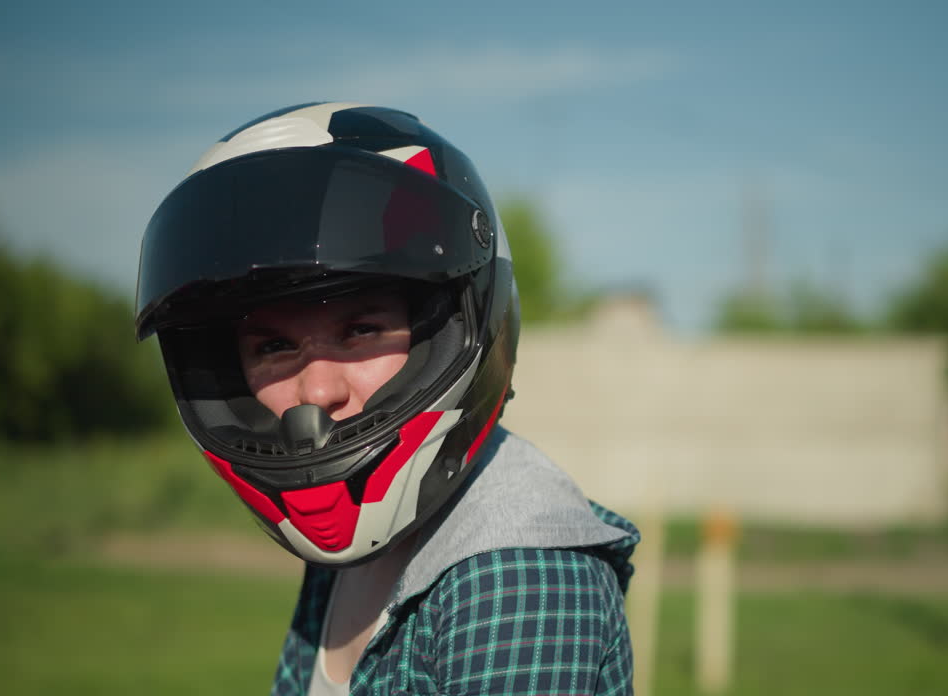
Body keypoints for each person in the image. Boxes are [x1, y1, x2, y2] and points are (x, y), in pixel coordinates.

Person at [134, 102, 640, 695]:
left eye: (360, 330)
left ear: (446, 330)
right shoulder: (359, 550)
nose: (317, 391)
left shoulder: (516, 577)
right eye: (273, 345)